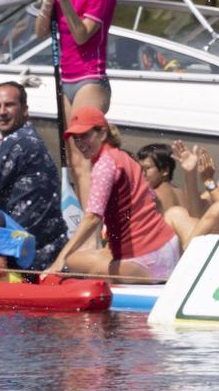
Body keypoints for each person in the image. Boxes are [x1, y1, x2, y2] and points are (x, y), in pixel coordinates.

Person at [46, 106, 181, 281]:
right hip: (168, 247)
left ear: (103, 133)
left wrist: (60, 259)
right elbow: (155, 201)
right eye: (76, 138)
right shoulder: (125, 157)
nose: (80, 143)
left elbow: (92, 218)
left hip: (146, 262)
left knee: (71, 261)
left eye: (85, 135)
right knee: (97, 255)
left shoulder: (104, 164)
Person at [0, 81, 69, 264]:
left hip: (27, 256)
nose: (2, 112)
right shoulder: (31, 137)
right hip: (50, 250)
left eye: (9, 105)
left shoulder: (16, 141)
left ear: (24, 110)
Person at [34, 0, 115, 113]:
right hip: (65, 79)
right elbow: (40, 32)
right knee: (69, 135)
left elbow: (81, 36)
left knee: (82, 134)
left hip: (91, 79)